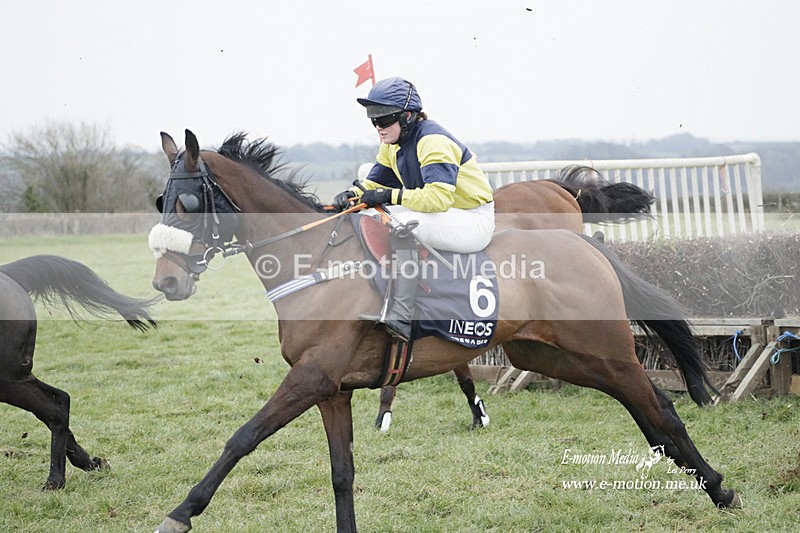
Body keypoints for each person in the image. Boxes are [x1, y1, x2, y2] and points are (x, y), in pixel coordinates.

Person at [332, 76, 495, 342]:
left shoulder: (433, 141)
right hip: (443, 216)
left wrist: (389, 195)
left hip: (473, 219)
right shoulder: (391, 144)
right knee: (370, 219)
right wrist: (353, 195)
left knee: (399, 227)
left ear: (407, 116)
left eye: (384, 120)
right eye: (373, 120)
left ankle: (403, 315)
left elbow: (438, 199)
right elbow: (374, 184)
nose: (378, 128)